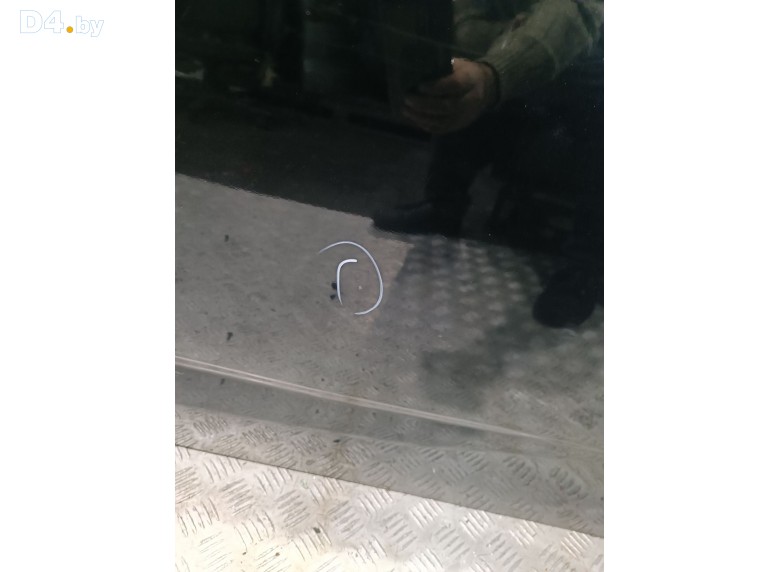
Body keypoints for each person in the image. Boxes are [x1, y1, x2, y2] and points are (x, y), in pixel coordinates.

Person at [372, 0, 604, 328]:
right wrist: (513, 45)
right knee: (466, 74)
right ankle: (443, 207)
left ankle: (585, 266)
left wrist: (498, 67)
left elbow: (575, 13)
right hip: (529, 56)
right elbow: (464, 22)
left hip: (594, 67)